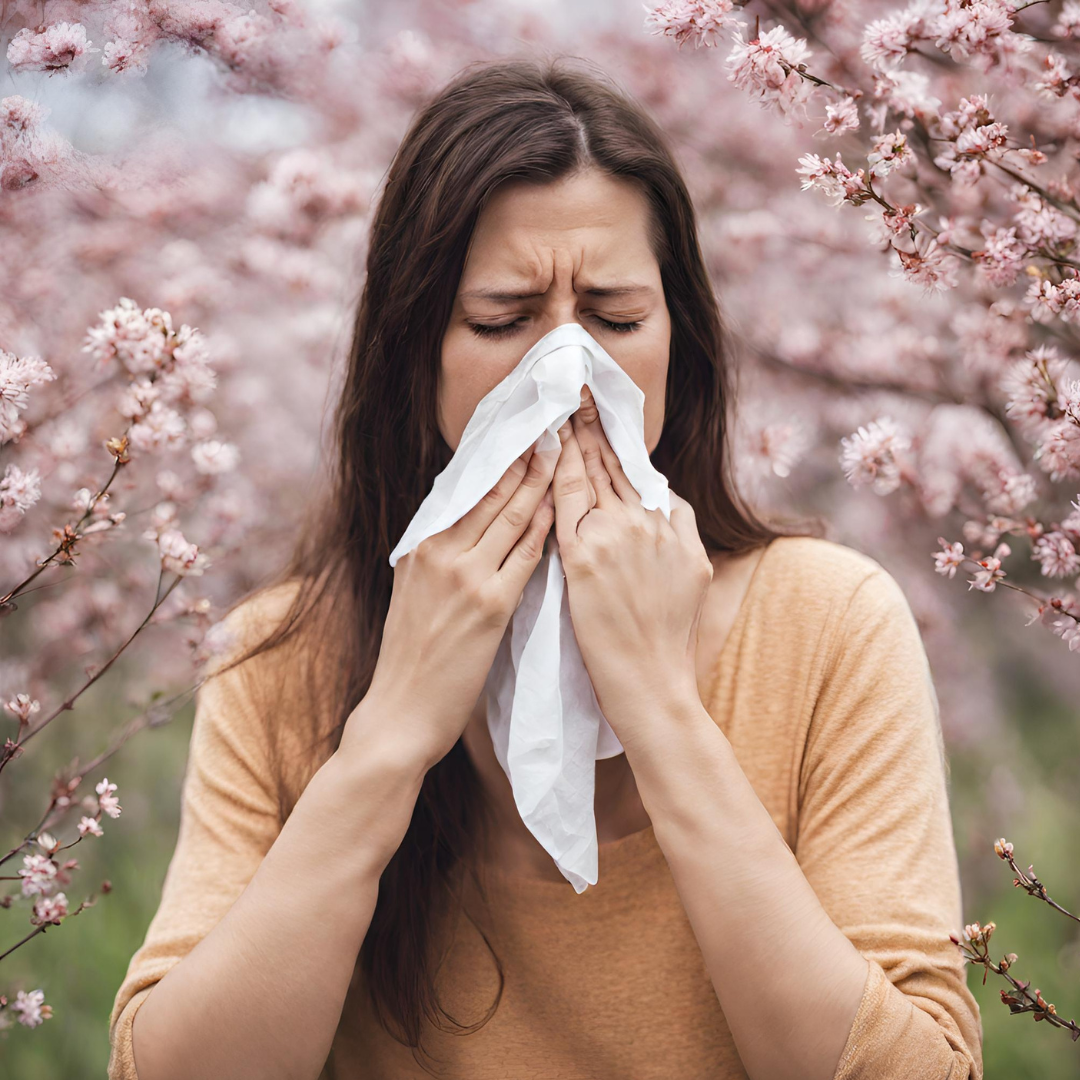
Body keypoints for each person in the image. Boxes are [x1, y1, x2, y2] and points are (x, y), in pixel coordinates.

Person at [108, 56, 982, 1080]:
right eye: (502, 322)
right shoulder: (281, 657)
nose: (568, 379)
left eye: (615, 321)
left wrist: (661, 709)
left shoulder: (826, 626)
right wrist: (389, 734)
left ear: (678, 344)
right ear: (412, 349)